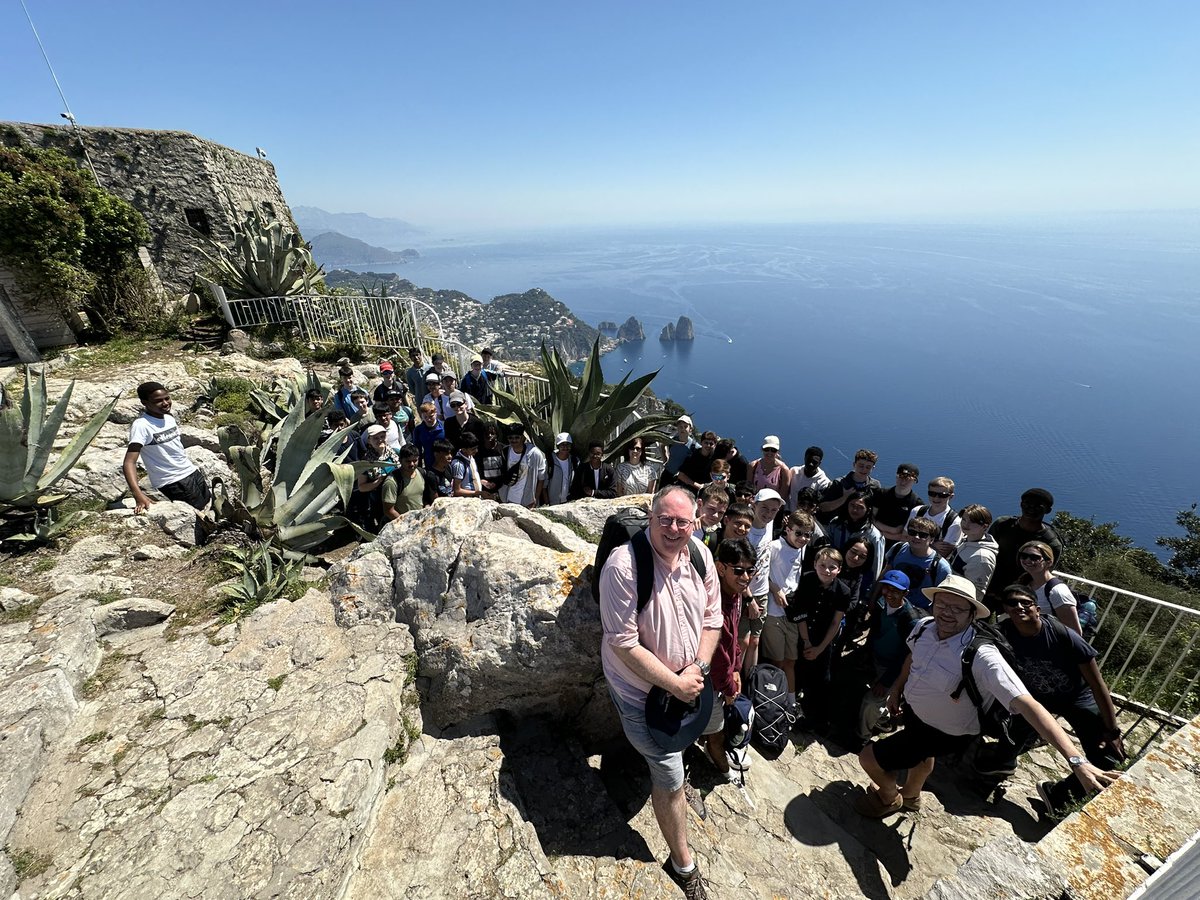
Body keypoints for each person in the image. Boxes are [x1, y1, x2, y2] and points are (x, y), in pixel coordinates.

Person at [853, 575, 1118, 818]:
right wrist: (898, 688)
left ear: (972, 614)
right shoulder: (923, 627)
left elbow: (1028, 704)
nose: (947, 613)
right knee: (922, 758)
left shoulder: (981, 655)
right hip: (917, 714)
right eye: (942, 604)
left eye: (957, 608)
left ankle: (889, 798)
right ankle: (911, 796)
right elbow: (913, 659)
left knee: (868, 757)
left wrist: (1077, 760)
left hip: (946, 731)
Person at [598, 486, 721, 899]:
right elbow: (623, 642)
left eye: (682, 521)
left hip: (685, 684)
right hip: (638, 690)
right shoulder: (625, 565)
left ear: (695, 522)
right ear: (650, 517)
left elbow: (712, 620)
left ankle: (647, 768)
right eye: (664, 519)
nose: (673, 528)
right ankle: (683, 864)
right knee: (668, 771)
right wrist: (677, 683)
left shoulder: (701, 557)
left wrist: (697, 668)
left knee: (668, 744)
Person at [982, 584, 1125, 817]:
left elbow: (1098, 684)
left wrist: (1112, 730)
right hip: (1036, 699)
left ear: (1037, 609)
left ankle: (1058, 795)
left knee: (1110, 757)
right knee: (1011, 735)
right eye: (1012, 603)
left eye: (1025, 602)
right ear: (1005, 609)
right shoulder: (1001, 633)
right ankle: (1002, 761)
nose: (1019, 607)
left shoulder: (1061, 634)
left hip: (1076, 696)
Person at [700, 537, 753, 781]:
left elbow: (733, 642)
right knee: (716, 730)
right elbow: (718, 654)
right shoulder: (715, 603)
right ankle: (720, 765)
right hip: (709, 681)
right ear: (721, 568)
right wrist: (729, 685)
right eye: (739, 571)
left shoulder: (736, 593)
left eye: (750, 571)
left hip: (724, 676)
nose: (746, 578)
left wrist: (737, 668)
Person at [853, 569, 921, 743]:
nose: (889, 594)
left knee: (871, 703)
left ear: (905, 593)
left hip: (892, 668)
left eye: (895, 591)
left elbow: (905, 655)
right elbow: (874, 632)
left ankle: (863, 737)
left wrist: (886, 682)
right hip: (875, 658)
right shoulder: (882, 604)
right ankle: (881, 719)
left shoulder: (910, 620)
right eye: (887, 588)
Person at [788, 546, 851, 731]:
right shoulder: (807, 579)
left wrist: (820, 648)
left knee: (821, 679)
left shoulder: (843, 591)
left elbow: (835, 623)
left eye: (832, 567)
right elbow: (800, 613)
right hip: (804, 633)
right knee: (798, 669)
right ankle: (791, 709)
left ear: (839, 569)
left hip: (825, 639)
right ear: (815, 564)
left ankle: (813, 719)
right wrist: (807, 642)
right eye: (822, 565)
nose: (826, 570)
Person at [124, 382, 209, 513]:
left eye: (167, 398)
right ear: (144, 402)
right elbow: (129, 462)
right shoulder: (142, 425)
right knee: (198, 514)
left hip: (191, 472)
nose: (165, 403)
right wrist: (138, 495)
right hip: (173, 481)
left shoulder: (168, 418)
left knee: (210, 507)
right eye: (158, 401)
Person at [761, 511, 816, 711]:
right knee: (777, 661)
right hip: (774, 612)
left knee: (791, 661)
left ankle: (791, 702)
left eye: (807, 535)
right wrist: (775, 589)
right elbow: (759, 574)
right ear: (787, 529)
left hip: (792, 613)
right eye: (799, 533)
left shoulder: (801, 550)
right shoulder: (775, 547)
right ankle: (775, 702)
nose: (803, 539)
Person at [986, 487, 1065, 611]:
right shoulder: (1002, 525)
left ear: (1048, 510)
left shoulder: (1051, 543)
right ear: (1021, 504)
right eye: (1027, 503)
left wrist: (1014, 592)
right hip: (987, 586)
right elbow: (985, 549)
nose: (1031, 508)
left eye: (1038, 506)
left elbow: (1043, 574)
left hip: (1018, 597)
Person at [882, 517, 952, 610]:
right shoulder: (898, 548)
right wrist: (871, 599)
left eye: (923, 535)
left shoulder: (940, 566)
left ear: (931, 540)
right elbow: (885, 574)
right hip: (888, 605)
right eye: (912, 532)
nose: (916, 537)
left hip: (918, 613)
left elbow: (942, 597)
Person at [1017, 541, 1083, 634]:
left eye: (1034, 557)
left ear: (1048, 562)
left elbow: (1075, 632)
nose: (1027, 560)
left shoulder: (1057, 592)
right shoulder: (1025, 583)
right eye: (1024, 556)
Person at [825, 489, 886, 579]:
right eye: (852, 505)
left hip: (857, 579)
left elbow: (875, 567)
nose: (855, 510)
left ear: (868, 510)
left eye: (860, 507)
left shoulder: (874, 536)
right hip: (831, 573)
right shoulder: (835, 524)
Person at [947, 504, 999, 601]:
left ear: (985, 526)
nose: (965, 525)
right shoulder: (967, 539)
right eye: (964, 519)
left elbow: (977, 593)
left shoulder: (982, 557)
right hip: (948, 592)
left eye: (972, 522)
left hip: (957, 603)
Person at [355, 425, 401, 532]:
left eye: (382, 436)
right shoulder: (366, 462)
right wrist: (378, 482)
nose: (380, 440)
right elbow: (361, 487)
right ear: (369, 441)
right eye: (376, 438)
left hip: (399, 496)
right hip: (380, 502)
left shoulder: (395, 453)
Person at [906, 476, 962, 557]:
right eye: (932, 494)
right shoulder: (917, 511)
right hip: (907, 556)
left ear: (951, 496)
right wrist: (932, 545)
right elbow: (904, 537)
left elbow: (943, 553)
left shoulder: (954, 522)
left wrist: (915, 543)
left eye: (942, 495)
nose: (936, 498)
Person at [820, 449, 881, 521]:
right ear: (854, 465)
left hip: (862, 525)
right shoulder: (839, 483)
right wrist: (844, 497)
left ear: (872, 468)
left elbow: (876, 510)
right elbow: (823, 507)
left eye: (868, 467)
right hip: (838, 524)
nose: (864, 469)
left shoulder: (875, 486)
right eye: (861, 466)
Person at [873, 463, 924, 545]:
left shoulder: (917, 504)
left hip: (897, 546)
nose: (903, 482)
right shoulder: (881, 493)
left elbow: (907, 535)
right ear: (896, 476)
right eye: (901, 477)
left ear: (914, 481)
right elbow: (871, 518)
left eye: (908, 479)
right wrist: (894, 530)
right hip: (873, 539)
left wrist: (882, 532)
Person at [499, 424, 546, 508]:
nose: (513, 440)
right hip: (508, 499)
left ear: (523, 438)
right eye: (510, 438)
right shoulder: (505, 452)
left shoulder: (534, 454)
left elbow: (541, 479)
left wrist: (535, 498)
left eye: (517, 437)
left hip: (527, 501)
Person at [382, 445, 431, 519]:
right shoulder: (392, 482)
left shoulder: (422, 473)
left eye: (415, 461)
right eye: (408, 461)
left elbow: (425, 497)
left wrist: (427, 507)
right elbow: (389, 511)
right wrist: (406, 523)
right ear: (400, 460)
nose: (412, 464)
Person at [788, 446, 833, 511]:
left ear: (819, 463)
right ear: (805, 458)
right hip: (788, 516)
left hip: (807, 519)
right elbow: (786, 494)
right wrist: (786, 511)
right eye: (809, 460)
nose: (811, 464)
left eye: (815, 462)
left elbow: (820, 507)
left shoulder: (824, 483)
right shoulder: (794, 471)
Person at [749, 435, 791, 501]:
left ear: (778, 451)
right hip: (754, 505)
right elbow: (748, 489)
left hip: (773, 508)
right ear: (762, 449)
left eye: (773, 450)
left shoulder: (784, 470)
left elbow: (783, 496)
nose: (769, 453)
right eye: (766, 449)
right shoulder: (753, 466)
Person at [663, 415, 698, 487]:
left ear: (690, 429)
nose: (682, 429)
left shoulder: (694, 446)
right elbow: (662, 445)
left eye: (685, 426)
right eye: (680, 427)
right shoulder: (672, 440)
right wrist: (665, 458)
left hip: (680, 480)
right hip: (666, 474)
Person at [450, 433, 485, 499]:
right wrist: (479, 493)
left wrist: (482, 482)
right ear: (464, 449)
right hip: (466, 501)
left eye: (476, 448)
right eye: (473, 449)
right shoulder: (458, 464)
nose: (476, 451)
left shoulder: (471, 457)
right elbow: (457, 490)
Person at [545, 433, 577, 506]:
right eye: (562, 445)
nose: (565, 447)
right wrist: (547, 503)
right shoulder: (549, 462)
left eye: (567, 445)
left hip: (569, 503)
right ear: (557, 446)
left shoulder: (574, 461)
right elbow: (544, 485)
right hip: (553, 504)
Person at [476, 424, 506, 499]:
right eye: (486, 434)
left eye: (492, 433)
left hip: (501, 488)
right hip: (484, 489)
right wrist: (482, 481)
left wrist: (498, 483)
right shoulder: (478, 451)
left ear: (497, 434)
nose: (489, 436)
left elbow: (506, 469)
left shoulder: (504, 449)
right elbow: (475, 469)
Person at [411, 402, 445, 468]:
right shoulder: (418, 430)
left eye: (431, 416)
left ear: (436, 413)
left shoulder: (444, 427)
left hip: (444, 463)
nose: (428, 419)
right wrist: (419, 468)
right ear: (421, 415)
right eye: (425, 417)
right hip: (429, 464)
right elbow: (418, 451)